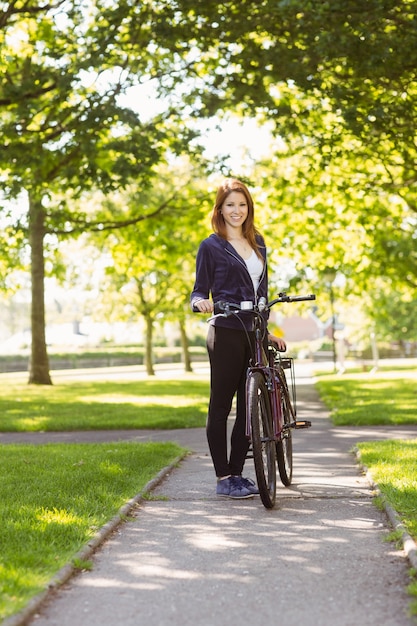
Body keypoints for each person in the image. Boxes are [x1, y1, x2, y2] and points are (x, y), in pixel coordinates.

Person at [191, 178, 286, 499]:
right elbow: (199, 289)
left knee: (249, 408)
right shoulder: (211, 245)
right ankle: (223, 477)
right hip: (226, 331)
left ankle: (239, 474)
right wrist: (200, 302)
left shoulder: (258, 242)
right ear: (219, 209)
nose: (236, 211)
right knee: (222, 406)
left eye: (242, 205)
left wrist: (267, 331)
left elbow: (263, 294)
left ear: (249, 208)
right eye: (230, 205)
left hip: (253, 331)